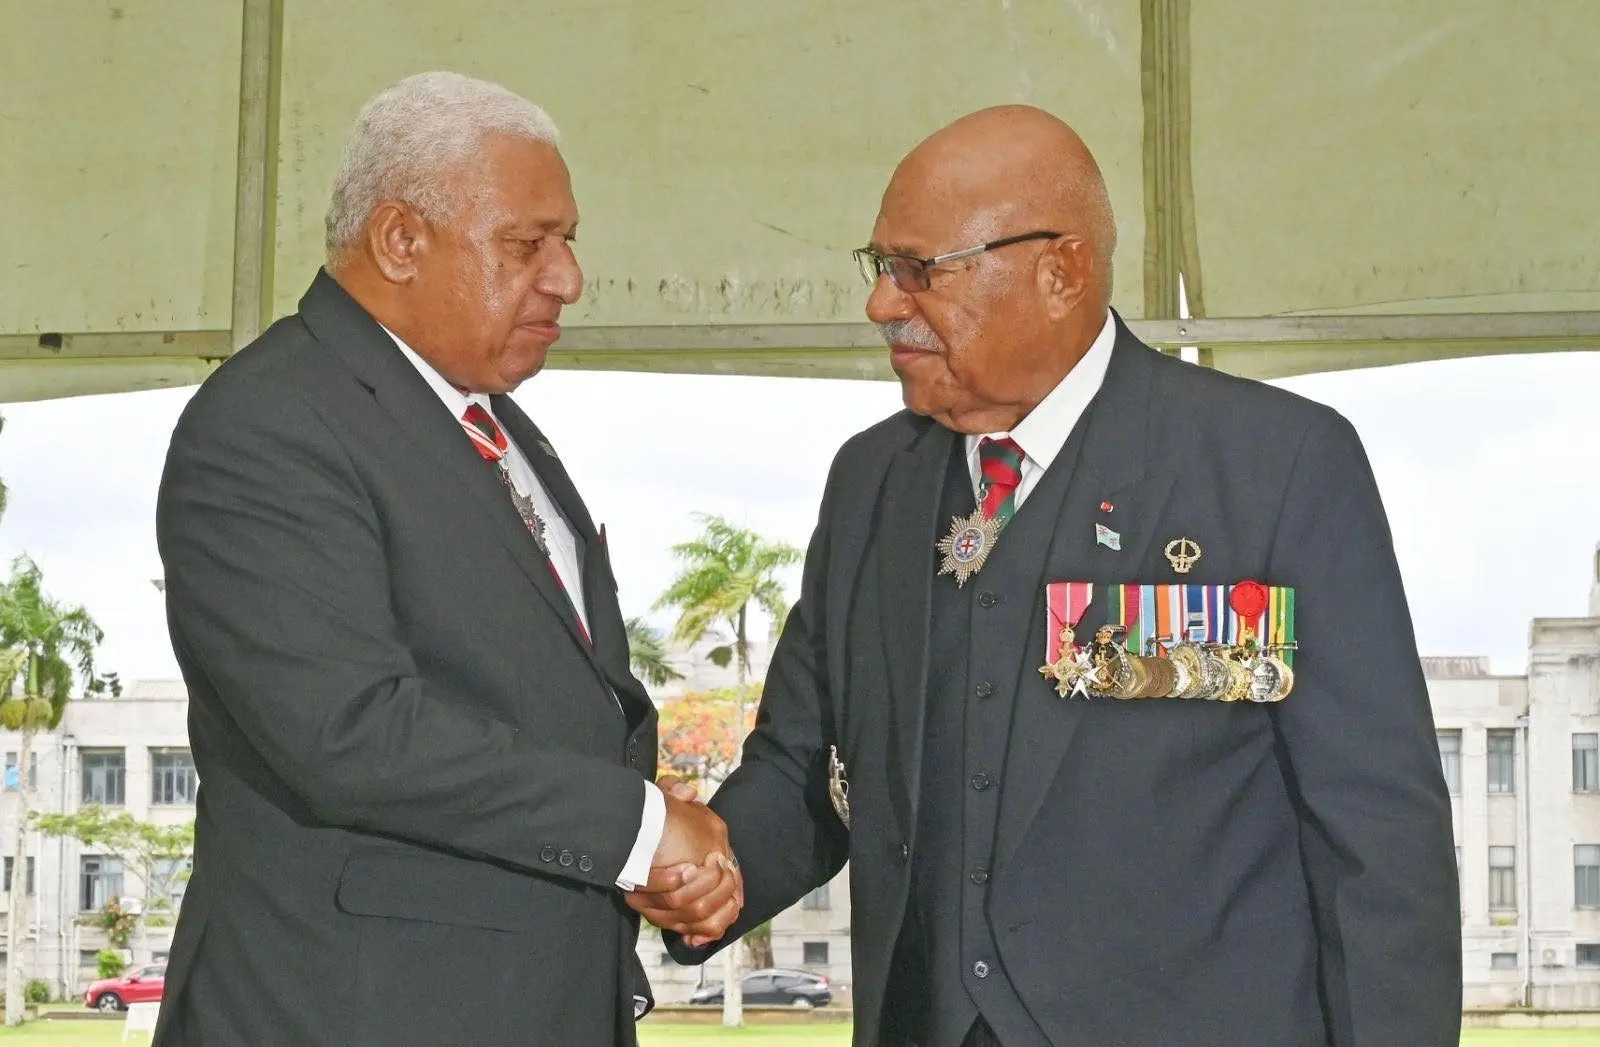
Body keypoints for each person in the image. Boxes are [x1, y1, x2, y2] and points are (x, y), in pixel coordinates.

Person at [635, 106, 1461, 1047]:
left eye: (918, 269)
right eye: (880, 266)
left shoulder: (1274, 466)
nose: (882, 303)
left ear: (1060, 270)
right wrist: (709, 875)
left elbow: (1377, 834)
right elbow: (804, 765)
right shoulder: (873, 483)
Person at [154, 72, 740, 1047]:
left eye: (568, 241)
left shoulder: (494, 426)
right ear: (399, 240)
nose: (567, 278)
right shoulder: (270, 421)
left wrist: (654, 849)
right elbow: (347, 730)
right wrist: (634, 829)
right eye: (527, 244)